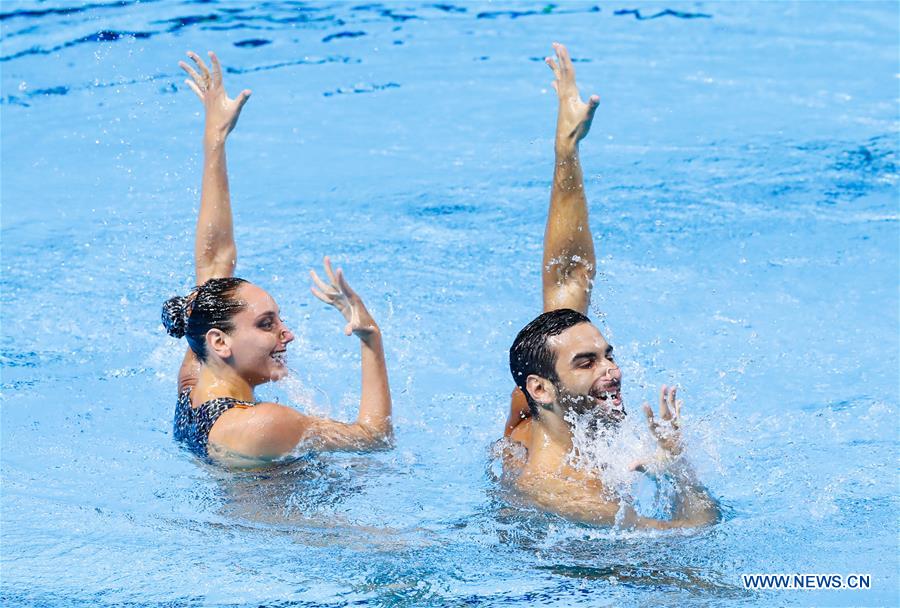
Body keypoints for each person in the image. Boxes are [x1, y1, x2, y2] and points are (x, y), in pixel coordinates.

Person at [502, 43, 720, 529]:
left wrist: (566, 151)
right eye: (587, 362)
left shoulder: (536, 406)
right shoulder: (562, 490)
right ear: (541, 388)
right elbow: (686, 546)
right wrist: (680, 467)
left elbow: (569, 274)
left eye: (607, 354)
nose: (613, 371)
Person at [162, 51, 392, 463]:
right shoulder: (262, 423)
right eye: (267, 324)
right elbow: (374, 438)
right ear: (220, 341)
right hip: (295, 527)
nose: (287, 335)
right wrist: (372, 338)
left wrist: (215, 139)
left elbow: (214, 263)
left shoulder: (194, 381)